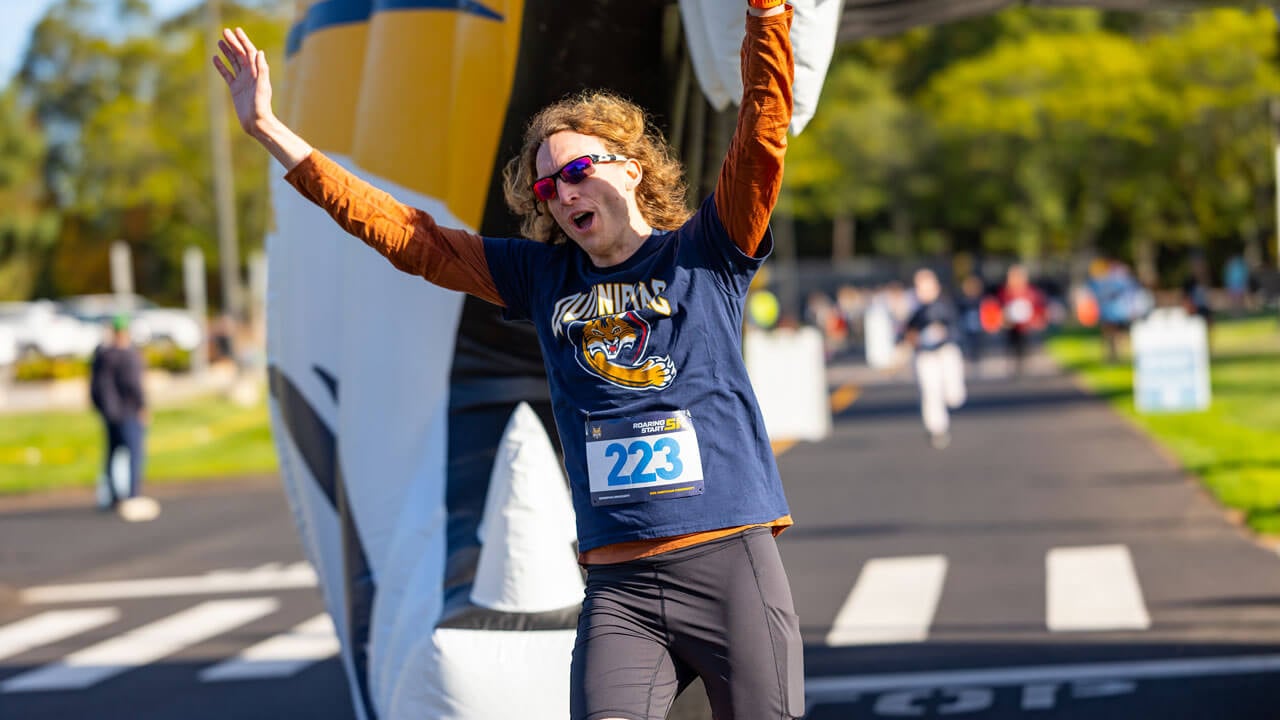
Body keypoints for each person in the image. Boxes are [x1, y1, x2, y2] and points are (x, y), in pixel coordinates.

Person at [213, 2, 803, 718]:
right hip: (621, 591)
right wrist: (272, 133)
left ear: (632, 165)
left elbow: (762, 132)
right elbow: (409, 236)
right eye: (548, 187)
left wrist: (769, 14)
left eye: (579, 169)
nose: (563, 193)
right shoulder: (542, 277)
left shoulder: (704, 252)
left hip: (727, 563)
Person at [89, 314, 159, 522]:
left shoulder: (102, 355)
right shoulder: (128, 356)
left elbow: (95, 387)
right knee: (134, 454)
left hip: (110, 414)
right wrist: (142, 407)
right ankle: (133, 495)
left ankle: (113, 496)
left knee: (112, 454)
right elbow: (133, 385)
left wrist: (102, 408)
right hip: (128, 411)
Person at [901, 269, 966, 449]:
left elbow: (957, 329)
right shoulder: (915, 312)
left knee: (954, 395)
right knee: (930, 392)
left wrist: (944, 333)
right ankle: (937, 430)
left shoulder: (947, 305)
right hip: (926, 356)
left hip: (946, 353)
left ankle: (950, 401)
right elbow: (907, 333)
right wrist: (913, 338)